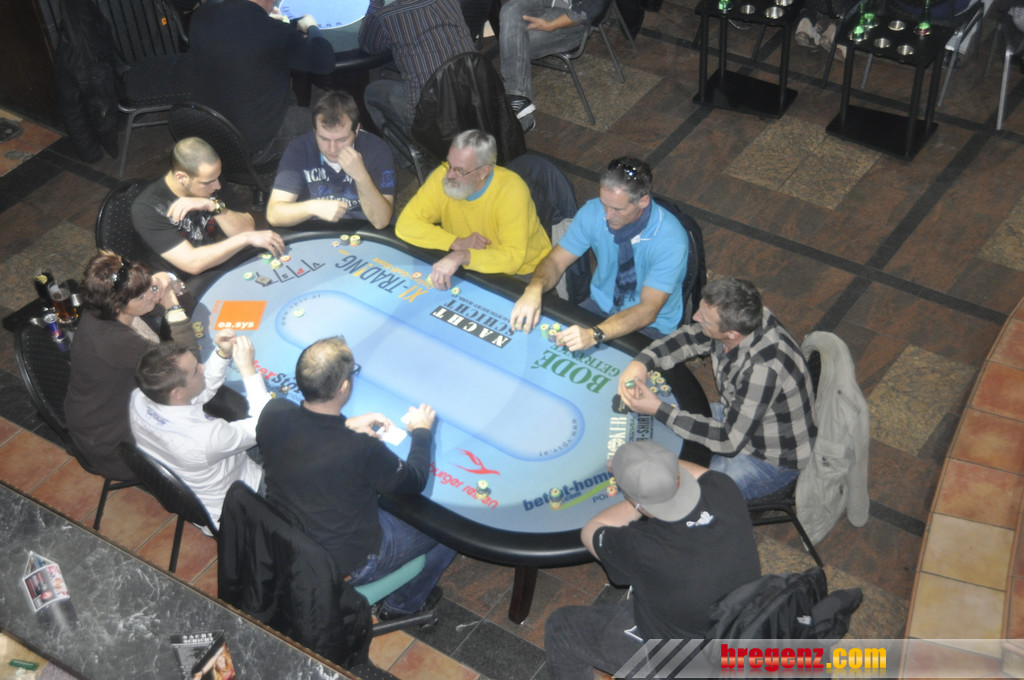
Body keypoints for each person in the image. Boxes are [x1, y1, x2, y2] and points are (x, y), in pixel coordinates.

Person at [256, 336, 456, 620]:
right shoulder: (361, 448)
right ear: (343, 388)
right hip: (352, 562)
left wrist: (347, 425)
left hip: (289, 546)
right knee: (450, 526)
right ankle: (402, 605)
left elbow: (311, 438)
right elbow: (415, 479)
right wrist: (422, 431)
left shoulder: (273, 413)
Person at [544, 440, 761, 679]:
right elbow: (694, 472)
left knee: (562, 627)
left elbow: (591, 530)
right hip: (748, 633)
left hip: (694, 663)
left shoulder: (641, 545)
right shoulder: (723, 487)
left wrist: (638, 495)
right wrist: (652, 471)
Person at [618, 277, 817, 499]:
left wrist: (658, 409)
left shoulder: (762, 370)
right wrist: (642, 363)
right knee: (658, 425)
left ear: (732, 334)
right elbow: (689, 338)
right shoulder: (744, 320)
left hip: (768, 458)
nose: (695, 317)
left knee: (676, 494)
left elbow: (728, 441)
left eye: (703, 319)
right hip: (737, 419)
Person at [510, 157, 688, 351]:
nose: (607, 215)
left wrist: (594, 334)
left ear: (643, 201)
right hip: (600, 306)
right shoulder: (593, 212)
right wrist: (534, 288)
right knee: (545, 350)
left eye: (617, 209)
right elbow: (556, 261)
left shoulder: (670, 241)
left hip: (650, 327)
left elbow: (648, 310)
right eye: (604, 204)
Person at [65, 252, 194, 482]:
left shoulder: (104, 306)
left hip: (109, 413)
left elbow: (187, 309)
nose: (151, 295)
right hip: (118, 445)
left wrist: (171, 284)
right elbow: (188, 365)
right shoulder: (116, 341)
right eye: (142, 295)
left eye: (148, 286)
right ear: (118, 305)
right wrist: (172, 306)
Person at [129, 331, 270, 529]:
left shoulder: (141, 398)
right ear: (178, 392)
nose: (202, 367)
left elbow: (198, 389)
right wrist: (247, 369)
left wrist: (222, 353)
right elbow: (266, 422)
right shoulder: (205, 439)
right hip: (241, 501)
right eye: (196, 370)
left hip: (209, 476)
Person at [395, 129, 552, 290]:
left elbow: (512, 259)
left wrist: (462, 256)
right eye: (449, 164)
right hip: (469, 261)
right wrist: (456, 242)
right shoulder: (443, 176)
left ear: (483, 172)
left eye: (459, 170)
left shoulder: (511, 191)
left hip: (523, 272)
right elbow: (405, 224)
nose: (450, 175)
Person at [187, 0, 335, 165]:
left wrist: (265, 19)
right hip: (251, 146)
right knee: (334, 124)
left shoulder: (202, 14)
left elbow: (241, 35)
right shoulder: (276, 32)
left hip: (205, 130)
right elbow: (325, 62)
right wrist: (312, 27)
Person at [131, 137, 285, 280]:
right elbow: (192, 264)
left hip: (211, 266)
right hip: (175, 283)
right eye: (208, 182)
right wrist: (245, 239)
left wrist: (213, 206)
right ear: (181, 178)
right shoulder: (147, 209)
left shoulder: (210, 180)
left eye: (217, 177)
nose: (217, 186)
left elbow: (246, 229)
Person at [266, 91, 396, 230]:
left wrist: (361, 177)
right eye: (324, 139)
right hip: (315, 228)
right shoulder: (299, 149)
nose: (332, 149)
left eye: (342, 140)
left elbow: (381, 221)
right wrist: (312, 207)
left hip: (364, 228)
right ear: (314, 130)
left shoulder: (377, 149)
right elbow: (274, 215)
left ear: (356, 130)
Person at [358, 0, 475, 137]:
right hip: (475, 97)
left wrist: (374, 5)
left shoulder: (387, 17)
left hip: (428, 114)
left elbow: (368, 44)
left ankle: (405, 147)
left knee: (371, 92)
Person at [498, 0, 608, 132]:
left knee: (515, 40)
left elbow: (587, 11)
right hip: (546, 3)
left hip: (574, 18)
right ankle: (518, 99)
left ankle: (521, 112)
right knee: (510, 12)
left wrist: (551, 25)